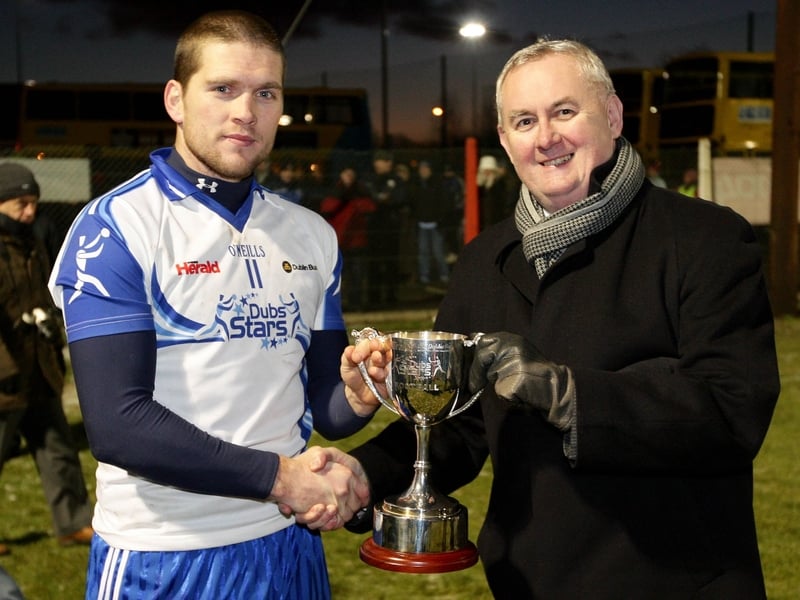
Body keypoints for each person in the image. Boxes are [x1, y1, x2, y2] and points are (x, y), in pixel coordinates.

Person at [329, 39, 780, 598]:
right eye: (524, 121)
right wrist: (363, 475)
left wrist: (568, 395)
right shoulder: (483, 259)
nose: (546, 138)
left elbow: (733, 412)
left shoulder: (704, 238)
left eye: (565, 111)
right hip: (527, 582)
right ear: (505, 140)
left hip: (674, 580)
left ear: (612, 117)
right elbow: (459, 425)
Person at [48, 11, 377, 599]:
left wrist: (357, 393)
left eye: (265, 92)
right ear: (176, 99)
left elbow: (326, 405)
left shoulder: (310, 234)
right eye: (222, 88)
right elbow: (118, 424)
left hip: (289, 542)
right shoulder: (116, 227)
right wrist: (282, 479)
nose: (245, 112)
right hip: (166, 553)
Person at [0, 163, 94, 556]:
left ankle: (73, 522)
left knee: (57, 448)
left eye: (34, 203)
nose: (30, 212)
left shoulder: (34, 238)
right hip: (5, 374)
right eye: (21, 203)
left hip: (39, 366)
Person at [320, 166, 375, 311]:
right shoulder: (335, 191)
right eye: (346, 174)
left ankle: (355, 303)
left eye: (351, 174)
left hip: (356, 241)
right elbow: (327, 207)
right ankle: (339, 304)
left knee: (357, 275)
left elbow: (369, 207)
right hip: (339, 241)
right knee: (339, 276)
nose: (348, 178)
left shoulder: (361, 191)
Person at [363, 150, 408, 306]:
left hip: (391, 227)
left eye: (380, 161)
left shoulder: (396, 180)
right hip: (373, 227)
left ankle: (391, 296)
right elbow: (367, 200)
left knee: (391, 262)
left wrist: (385, 201)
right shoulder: (370, 179)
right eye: (376, 161)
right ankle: (373, 297)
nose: (377, 164)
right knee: (373, 263)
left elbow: (400, 199)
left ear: (389, 163)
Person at [409, 161, 450, 286]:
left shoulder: (437, 185)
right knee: (423, 252)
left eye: (425, 169)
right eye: (421, 169)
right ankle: (424, 276)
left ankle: (444, 275)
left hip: (435, 224)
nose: (423, 171)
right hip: (422, 224)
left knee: (438, 252)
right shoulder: (417, 185)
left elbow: (443, 204)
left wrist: (439, 219)